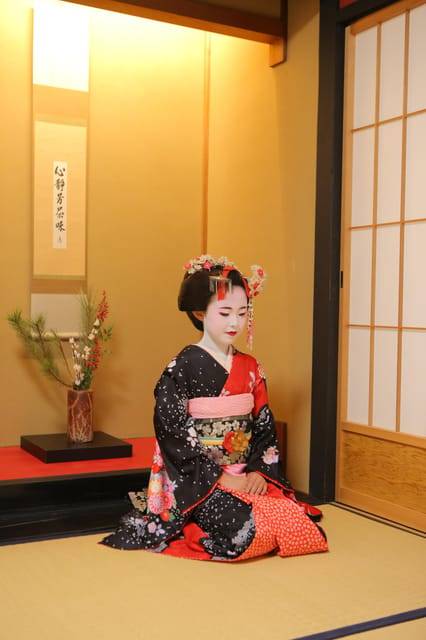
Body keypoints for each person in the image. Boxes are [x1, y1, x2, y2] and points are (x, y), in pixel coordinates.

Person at [101, 255, 328, 561]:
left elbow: (263, 427)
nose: (234, 322)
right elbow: (172, 432)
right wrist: (222, 478)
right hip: (202, 482)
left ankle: (260, 512)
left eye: (242, 313)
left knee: (304, 529)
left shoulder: (250, 367)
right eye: (224, 313)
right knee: (246, 532)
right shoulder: (182, 367)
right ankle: (198, 521)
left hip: (248, 474)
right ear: (199, 312)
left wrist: (260, 472)